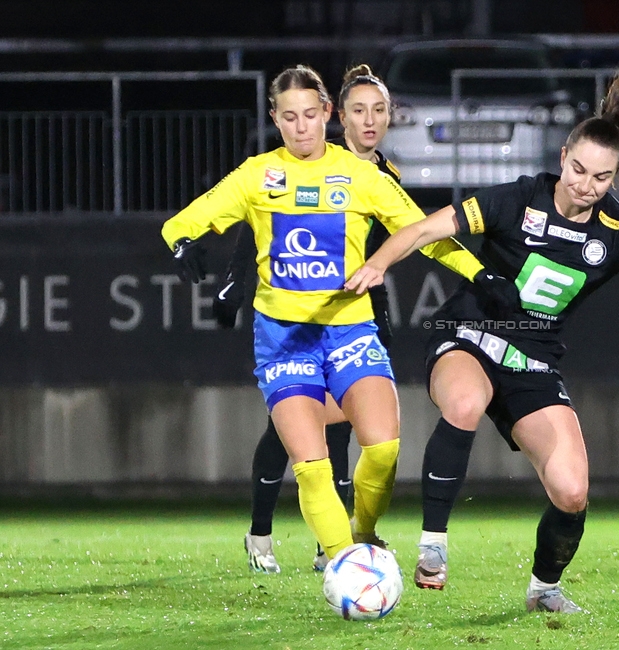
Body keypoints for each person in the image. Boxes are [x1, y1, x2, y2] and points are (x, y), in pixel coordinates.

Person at [345, 31, 619, 613]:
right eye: (578, 170)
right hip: (469, 337)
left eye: (600, 178)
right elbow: (427, 227)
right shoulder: (515, 199)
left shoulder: (618, 233)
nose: (585, 185)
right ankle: (433, 546)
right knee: (464, 404)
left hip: (532, 360)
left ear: (615, 178)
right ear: (562, 159)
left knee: (573, 491)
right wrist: (378, 262)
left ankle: (544, 588)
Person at [161, 64, 516, 576]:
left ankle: (363, 532)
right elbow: (184, 222)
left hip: (350, 329)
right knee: (312, 467)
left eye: (310, 114)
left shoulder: (363, 177)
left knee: (383, 448)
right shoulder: (257, 175)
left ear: (326, 113)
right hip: (284, 341)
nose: (301, 127)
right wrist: (180, 244)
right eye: (289, 118)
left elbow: (422, 233)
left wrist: (480, 274)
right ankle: (342, 564)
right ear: (275, 119)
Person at [211, 64, 407, 574]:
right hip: (295, 320)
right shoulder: (296, 168)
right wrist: (237, 280)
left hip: (357, 315)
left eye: (379, 110)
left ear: (390, 117)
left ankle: (337, 544)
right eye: (359, 110)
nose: (370, 121)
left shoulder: (383, 176)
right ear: (336, 115)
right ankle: (261, 533)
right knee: (292, 434)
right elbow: (260, 224)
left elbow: (404, 237)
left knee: (353, 432)